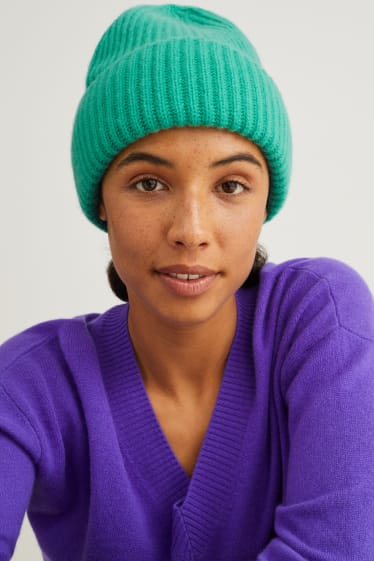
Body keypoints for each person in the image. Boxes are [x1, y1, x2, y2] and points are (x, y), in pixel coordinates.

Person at [0, 4, 373, 561]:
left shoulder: (320, 316)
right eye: (149, 183)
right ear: (101, 200)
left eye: (231, 185)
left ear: (265, 201)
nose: (190, 231)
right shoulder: (30, 387)